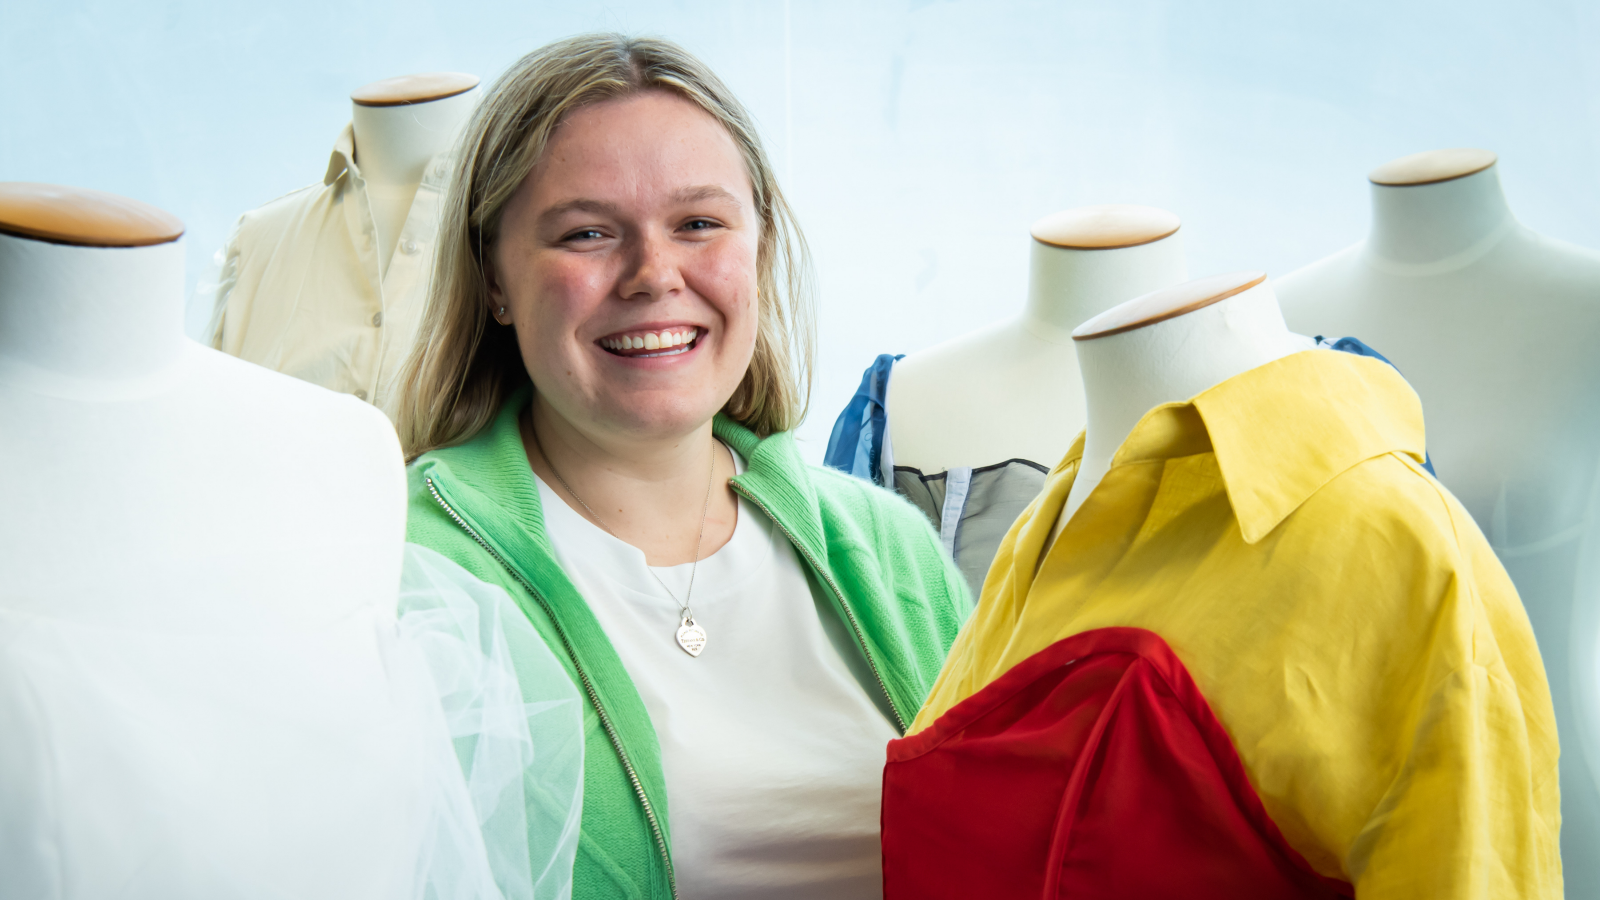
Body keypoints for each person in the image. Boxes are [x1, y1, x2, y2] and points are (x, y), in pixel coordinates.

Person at [396, 33, 970, 900]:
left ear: (761, 250)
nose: (653, 274)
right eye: (587, 233)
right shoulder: (410, 572)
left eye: (698, 223)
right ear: (495, 282)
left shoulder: (889, 547)